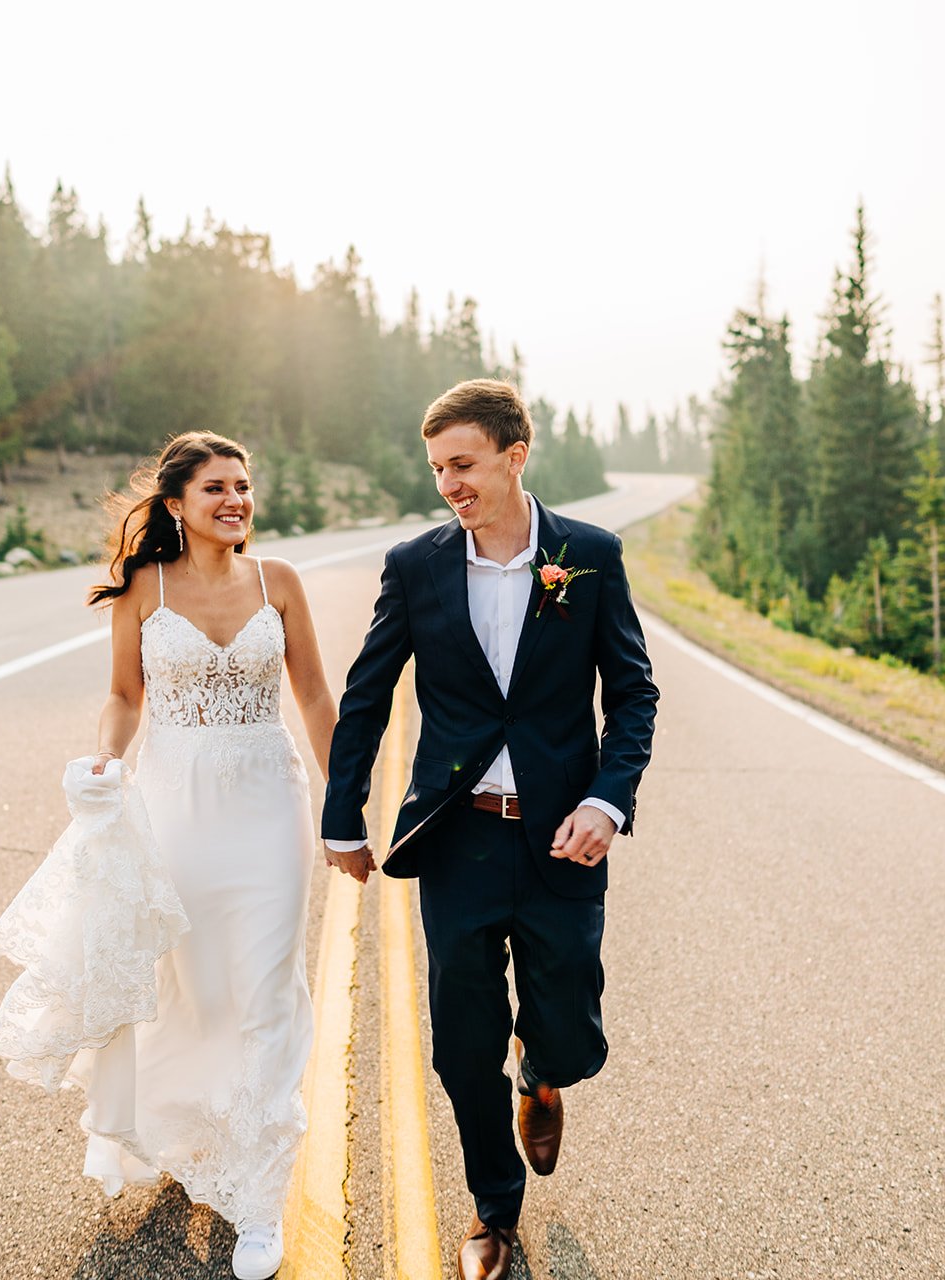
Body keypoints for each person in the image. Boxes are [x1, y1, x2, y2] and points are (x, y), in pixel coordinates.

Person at [321, 379, 659, 1280]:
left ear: (515, 456)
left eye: (463, 465)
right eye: (437, 469)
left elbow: (631, 696)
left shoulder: (589, 555)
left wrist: (608, 799)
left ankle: (544, 1073)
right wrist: (341, 815)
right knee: (461, 1040)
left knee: (569, 1024)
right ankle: (493, 1208)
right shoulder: (417, 564)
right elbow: (367, 695)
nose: (449, 486)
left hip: (562, 839)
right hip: (458, 840)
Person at [0, 431, 337, 1280]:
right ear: (176, 504)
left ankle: (257, 1196)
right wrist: (107, 757)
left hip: (267, 801)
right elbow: (122, 696)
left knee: (263, 983)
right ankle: (187, 1129)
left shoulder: (278, 582)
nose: (235, 500)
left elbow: (316, 694)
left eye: (244, 485)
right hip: (175, 804)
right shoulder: (146, 587)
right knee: (187, 982)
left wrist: (346, 806)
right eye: (216, 487)